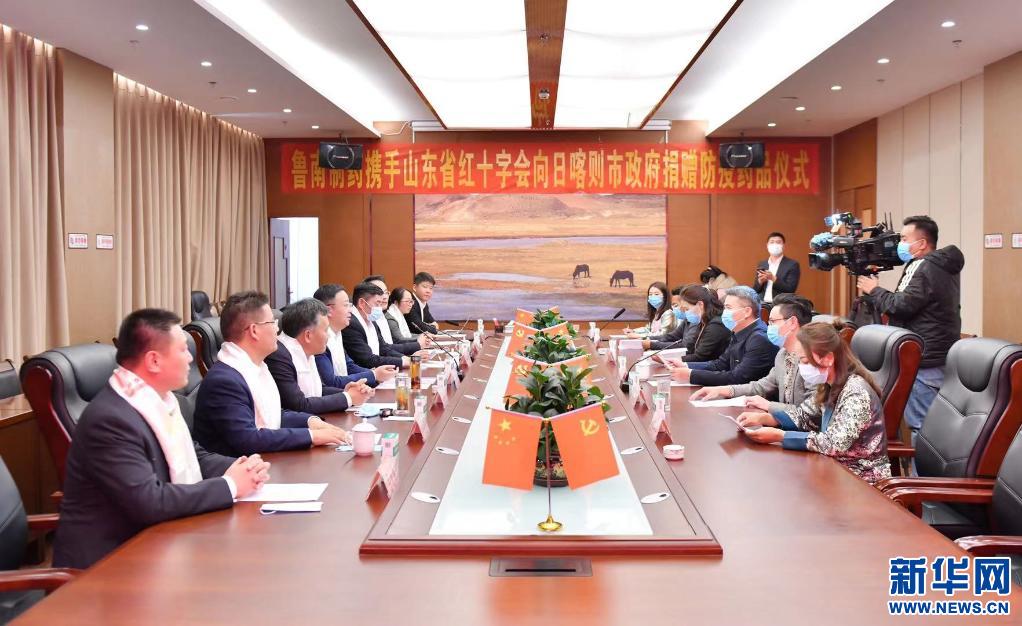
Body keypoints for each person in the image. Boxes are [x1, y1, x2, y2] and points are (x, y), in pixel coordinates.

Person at [53, 309, 271, 569]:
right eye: (183, 350)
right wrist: (230, 485)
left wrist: (242, 467)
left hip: (155, 542)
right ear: (154, 361)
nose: (190, 358)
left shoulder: (161, 400)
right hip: (109, 566)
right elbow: (149, 501)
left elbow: (193, 454)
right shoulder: (111, 420)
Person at [193, 291, 349, 456]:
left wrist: (311, 422)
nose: (277, 329)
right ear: (254, 330)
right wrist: (312, 436)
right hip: (240, 466)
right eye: (272, 323)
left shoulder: (257, 367)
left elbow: (273, 416)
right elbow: (248, 439)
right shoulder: (225, 381)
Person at [736, 321, 892, 485]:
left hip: (862, 480)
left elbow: (834, 444)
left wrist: (781, 436)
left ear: (828, 358)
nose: (801, 367)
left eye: (804, 361)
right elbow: (804, 415)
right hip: (832, 469)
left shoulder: (856, 391)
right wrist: (768, 419)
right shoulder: (829, 385)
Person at [855, 215, 964, 434]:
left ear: (922, 243)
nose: (900, 244)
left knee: (921, 426)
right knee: (934, 426)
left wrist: (874, 290)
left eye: (904, 239)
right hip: (938, 352)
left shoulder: (923, 265)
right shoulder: (943, 265)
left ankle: (921, 459)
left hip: (921, 355)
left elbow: (901, 305)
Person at [692, 294, 819, 425]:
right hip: (786, 424)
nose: (768, 326)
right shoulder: (783, 354)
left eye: (772, 321)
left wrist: (769, 406)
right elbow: (761, 386)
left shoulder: (813, 359)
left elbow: (812, 414)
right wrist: (723, 390)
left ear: (792, 323)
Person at [265, 298, 374, 414]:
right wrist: (348, 397)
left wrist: (347, 392)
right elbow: (299, 405)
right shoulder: (279, 356)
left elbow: (317, 390)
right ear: (308, 335)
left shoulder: (306, 349)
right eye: (325, 330)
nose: (328, 336)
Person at [667, 286, 777, 385]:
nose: (724, 312)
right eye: (725, 308)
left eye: (729, 308)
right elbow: (720, 364)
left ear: (747, 312)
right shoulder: (739, 331)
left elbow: (737, 378)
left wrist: (691, 375)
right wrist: (686, 365)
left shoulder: (759, 338)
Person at [312, 283, 396, 388]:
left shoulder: (337, 332)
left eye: (350, 305)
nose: (350, 310)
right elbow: (331, 382)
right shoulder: (319, 338)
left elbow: (349, 366)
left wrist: (375, 374)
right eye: (345, 305)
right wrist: (374, 375)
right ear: (329, 310)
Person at [343, 282, 414, 369]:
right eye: (377, 304)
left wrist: (404, 358)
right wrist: (402, 362)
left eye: (380, 304)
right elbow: (367, 360)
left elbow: (383, 348)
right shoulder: (351, 324)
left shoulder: (370, 319)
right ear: (362, 303)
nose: (379, 308)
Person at [653, 284, 730, 362]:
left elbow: (699, 357)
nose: (685, 313)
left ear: (700, 304)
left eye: (687, 309)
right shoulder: (703, 321)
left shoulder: (715, 325)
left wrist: (668, 360)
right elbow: (691, 349)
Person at [363, 275, 426, 354]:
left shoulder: (381, 316)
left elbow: (387, 347)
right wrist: (410, 355)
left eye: (386, 292)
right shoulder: (387, 317)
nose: (385, 297)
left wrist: (407, 358)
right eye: (379, 293)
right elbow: (389, 346)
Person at [638, 286, 699, 350]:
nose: (681, 308)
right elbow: (672, 336)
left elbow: (685, 345)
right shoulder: (687, 320)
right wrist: (648, 339)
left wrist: (651, 345)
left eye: (676, 305)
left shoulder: (696, 320)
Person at [754, 232, 801, 304]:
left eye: (778, 242)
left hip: (780, 304)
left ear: (783, 246)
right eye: (772, 242)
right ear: (767, 245)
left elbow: (791, 289)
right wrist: (760, 282)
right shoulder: (762, 264)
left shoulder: (792, 264)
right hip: (762, 303)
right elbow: (755, 289)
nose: (775, 244)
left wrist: (773, 278)